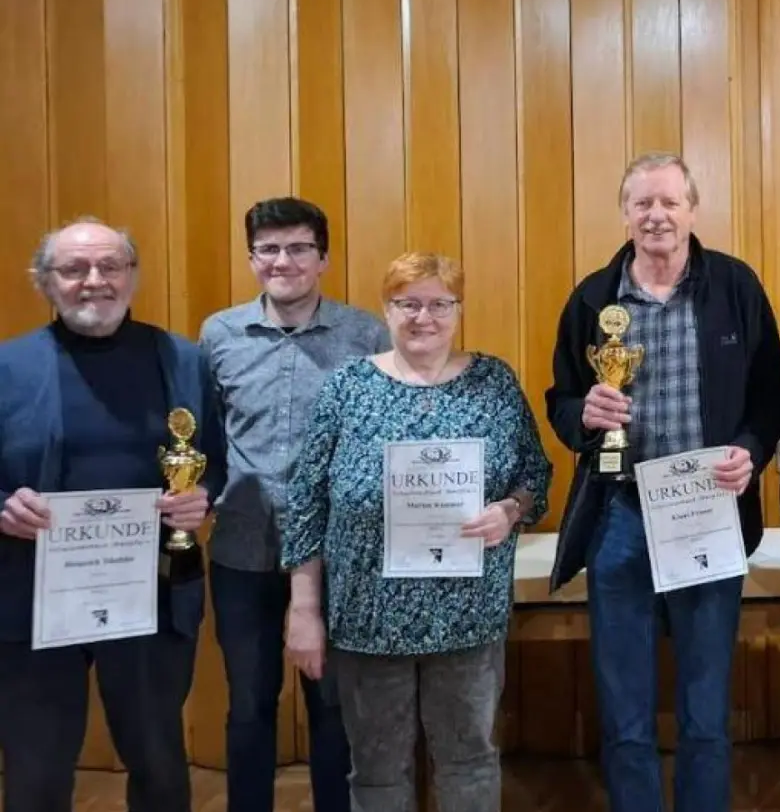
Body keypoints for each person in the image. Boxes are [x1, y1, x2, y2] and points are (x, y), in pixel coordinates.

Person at [544, 152, 780, 812]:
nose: (656, 215)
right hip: (620, 516)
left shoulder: (735, 286)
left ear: (692, 211)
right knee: (624, 712)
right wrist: (582, 416)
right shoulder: (594, 299)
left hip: (708, 513)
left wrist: (751, 449)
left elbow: (773, 393)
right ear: (625, 214)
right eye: (643, 204)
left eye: (669, 202)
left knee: (706, 710)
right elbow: (561, 397)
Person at [278, 251, 552, 812]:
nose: (422, 317)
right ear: (387, 309)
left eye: (438, 304)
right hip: (367, 616)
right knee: (376, 771)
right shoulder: (348, 387)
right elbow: (306, 500)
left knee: (470, 761)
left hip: (467, 615)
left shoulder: (494, 382)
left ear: (457, 311)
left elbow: (534, 474)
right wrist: (303, 608)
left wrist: (509, 509)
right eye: (408, 304)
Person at [0, 217, 227, 811]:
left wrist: (201, 498)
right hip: (33, 600)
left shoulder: (183, 361)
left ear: (132, 276)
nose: (94, 281)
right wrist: (2, 507)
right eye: (74, 269)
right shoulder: (7, 368)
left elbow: (217, 464)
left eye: (110, 267)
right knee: (37, 767)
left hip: (149, 594)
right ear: (44, 282)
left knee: (158, 759)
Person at [200, 197, 389, 812]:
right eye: (270, 249)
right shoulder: (218, 334)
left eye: (299, 247)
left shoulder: (365, 335)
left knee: (333, 705)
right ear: (253, 258)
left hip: (336, 555)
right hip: (241, 549)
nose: (284, 260)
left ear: (323, 256)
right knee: (250, 703)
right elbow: (202, 437)